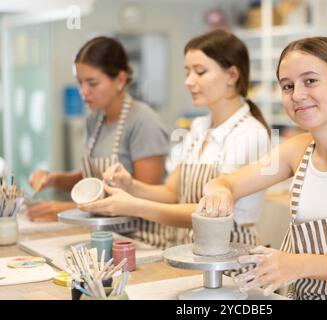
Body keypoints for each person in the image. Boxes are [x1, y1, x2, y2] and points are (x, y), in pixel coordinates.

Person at [195, 37, 327, 300]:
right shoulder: (296, 150)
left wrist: (295, 265)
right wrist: (220, 190)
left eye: (310, 81)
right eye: (287, 86)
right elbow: (228, 183)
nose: (297, 95)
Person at [79, 29, 271, 250]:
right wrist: (130, 185)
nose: (189, 81)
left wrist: (134, 206)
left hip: (230, 260)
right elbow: (171, 193)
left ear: (232, 75)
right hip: (192, 252)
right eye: (187, 72)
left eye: (200, 72)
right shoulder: (199, 127)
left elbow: (212, 215)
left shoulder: (249, 134)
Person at [28, 36, 169, 223]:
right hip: (104, 231)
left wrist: (70, 209)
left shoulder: (144, 122)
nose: (83, 91)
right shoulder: (96, 119)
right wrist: (55, 180)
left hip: (140, 236)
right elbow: (94, 178)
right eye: (80, 82)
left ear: (120, 79)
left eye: (92, 83)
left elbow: (146, 199)